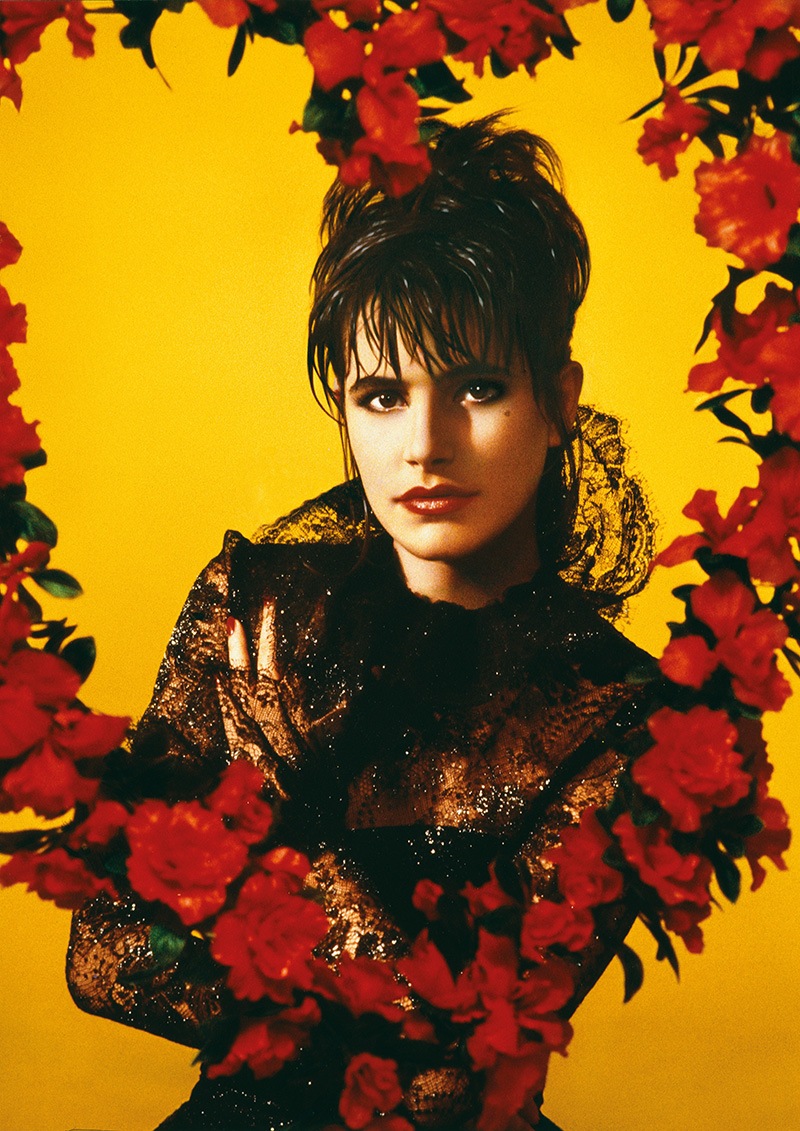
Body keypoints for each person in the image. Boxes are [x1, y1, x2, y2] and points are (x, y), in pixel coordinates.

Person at [66, 115, 654, 1130]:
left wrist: (279, 798)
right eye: (381, 396)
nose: (424, 443)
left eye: (477, 388)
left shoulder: (620, 712)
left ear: (558, 400)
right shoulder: (252, 605)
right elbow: (103, 952)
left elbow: (452, 1075)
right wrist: (344, 1014)